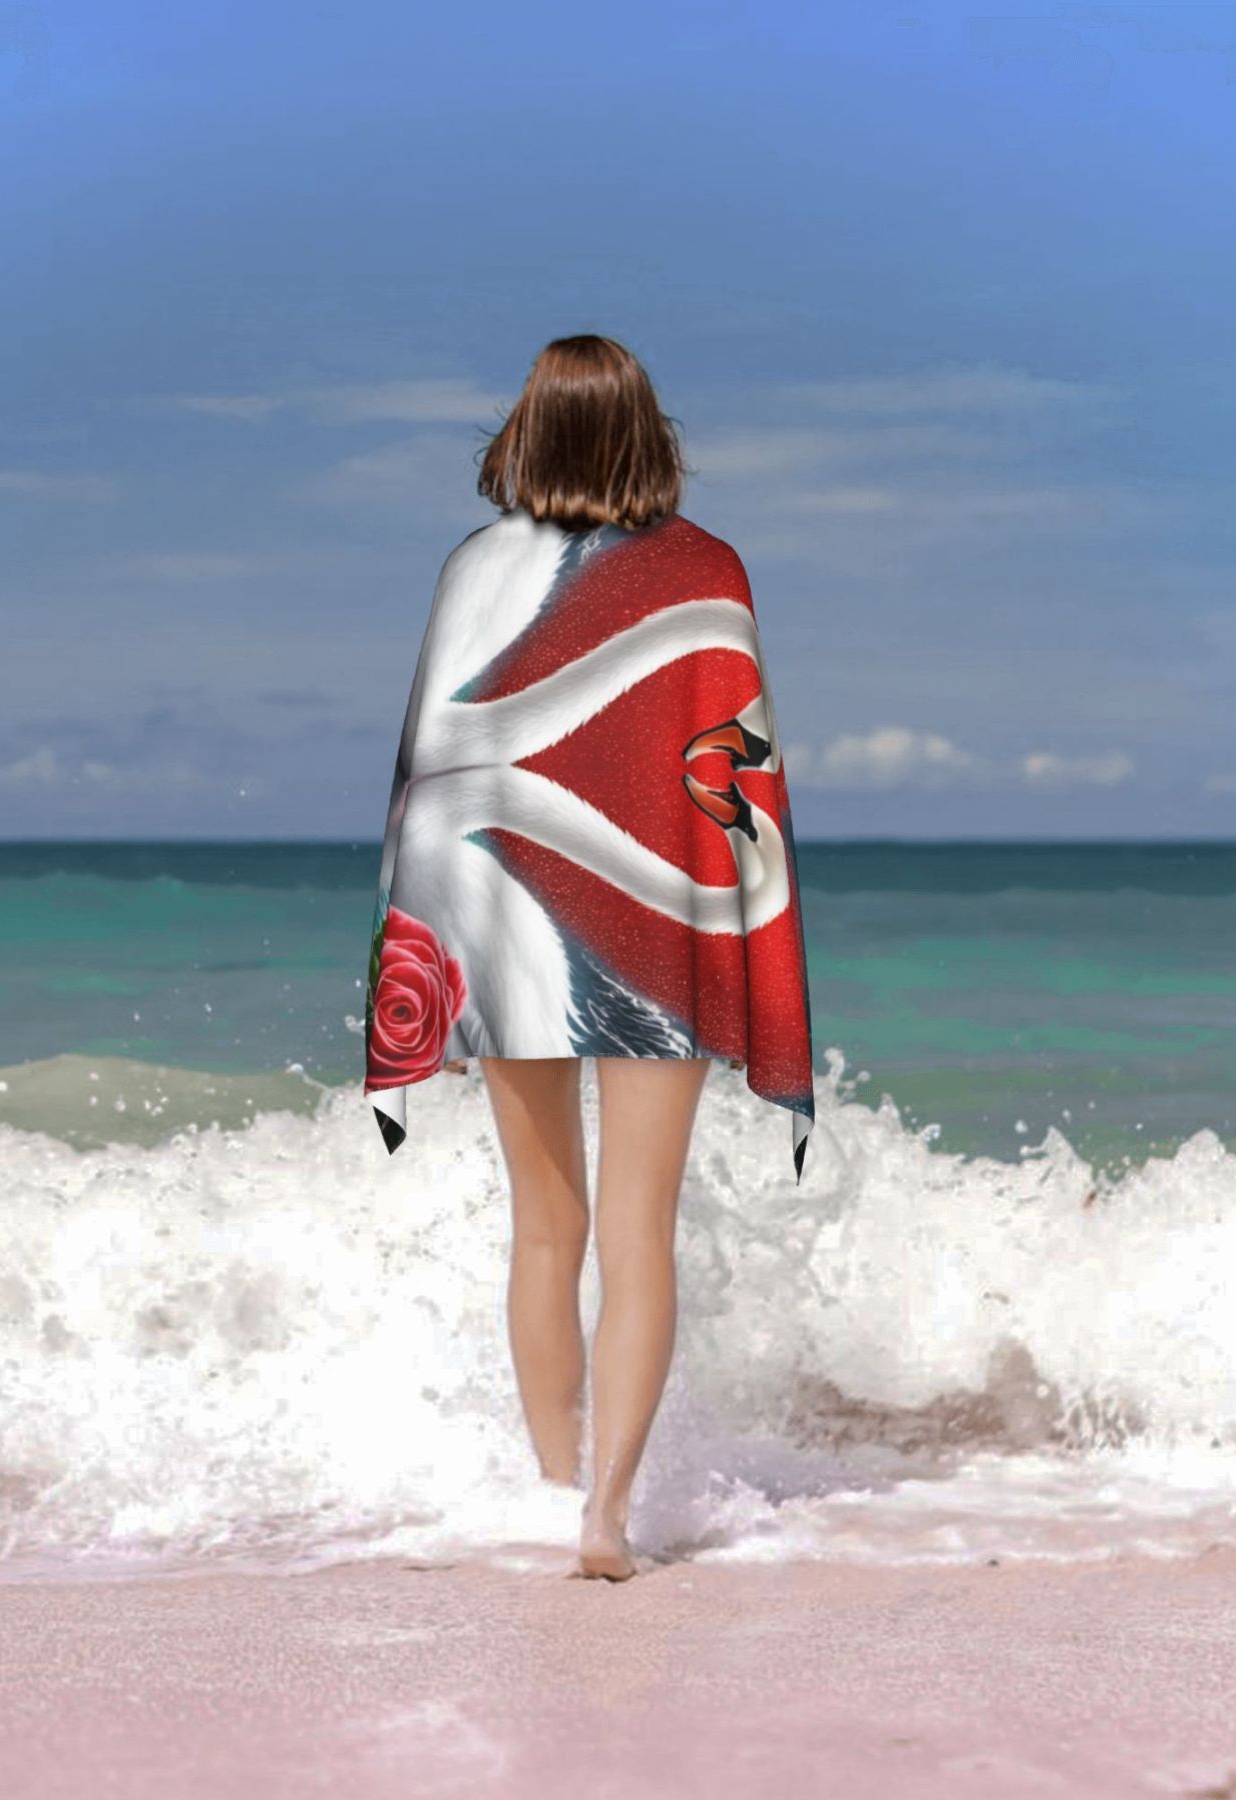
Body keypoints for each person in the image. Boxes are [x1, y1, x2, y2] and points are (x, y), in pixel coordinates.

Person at [362, 334, 815, 1580]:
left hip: (498, 921)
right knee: (638, 1231)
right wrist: (753, 954)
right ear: (646, 430)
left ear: (528, 431)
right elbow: (742, 785)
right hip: (662, 921)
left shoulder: (473, 570)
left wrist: (425, 975)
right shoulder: (708, 570)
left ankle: (553, 1494)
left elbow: (432, 782)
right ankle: (603, 1519)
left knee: (544, 1229)